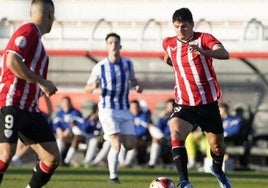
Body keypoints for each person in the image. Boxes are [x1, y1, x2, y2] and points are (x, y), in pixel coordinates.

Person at [162, 8, 231, 188]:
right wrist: (172, 62)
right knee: (175, 131)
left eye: (184, 26)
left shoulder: (205, 39)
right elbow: (168, 57)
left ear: (192, 24)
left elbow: (225, 54)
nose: (180, 30)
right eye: (176, 27)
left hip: (207, 104)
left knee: (217, 147)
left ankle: (218, 171)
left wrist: (203, 52)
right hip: (184, 103)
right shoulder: (168, 43)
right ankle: (184, 182)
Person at [0, 0, 60, 187]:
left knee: (52, 158)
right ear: (50, 14)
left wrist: (40, 88)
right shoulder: (28, 30)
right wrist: (42, 82)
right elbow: (12, 60)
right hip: (12, 102)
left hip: (30, 109)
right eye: (53, 15)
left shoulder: (38, 41)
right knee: (6, 154)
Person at [85, 32, 143, 184]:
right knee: (116, 143)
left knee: (130, 145)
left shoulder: (128, 64)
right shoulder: (100, 67)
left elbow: (132, 78)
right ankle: (113, 176)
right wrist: (93, 86)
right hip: (107, 109)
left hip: (124, 109)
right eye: (110, 43)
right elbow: (87, 87)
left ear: (120, 45)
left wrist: (136, 85)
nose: (113, 45)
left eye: (116, 42)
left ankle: (109, 139)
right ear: (107, 46)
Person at [52, 96, 85, 166]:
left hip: (74, 137)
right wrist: (59, 131)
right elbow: (55, 125)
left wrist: (68, 129)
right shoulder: (59, 113)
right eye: (63, 103)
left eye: (67, 103)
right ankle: (57, 160)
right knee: (59, 139)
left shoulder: (76, 112)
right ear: (61, 104)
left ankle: (66, 161)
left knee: (76, 136)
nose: (65, 104)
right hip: (62, 136)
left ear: (70, 103)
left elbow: (80, 125)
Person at [119, 100, 151, 167]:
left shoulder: (144, 115)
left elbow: (145, 129)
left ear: (139, 107)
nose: (135, 109)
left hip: (142, 138)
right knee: (120, 142)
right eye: (133, 107)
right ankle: (122, 162)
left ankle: (127, 163)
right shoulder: (127, 116)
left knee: (133, 143)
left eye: (136, 107)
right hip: (130, 137)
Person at [148, 98, 174, 168]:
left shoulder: (177, 117)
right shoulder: (164, 117)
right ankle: (152, 163)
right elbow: (158, 128)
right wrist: (161, 117)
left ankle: (152, 162)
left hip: (172, 138)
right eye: (168, 106)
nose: (170, 108)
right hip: (162, 137)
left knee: (155, 139)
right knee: (151, 128)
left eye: (172, 106)